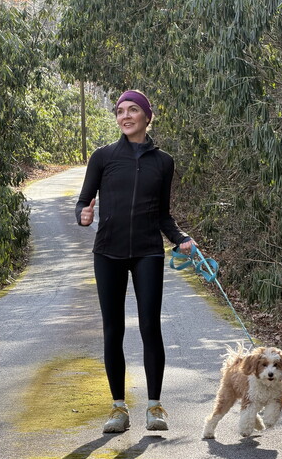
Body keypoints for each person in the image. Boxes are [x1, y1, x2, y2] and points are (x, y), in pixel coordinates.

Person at [75, 90, 194, 433]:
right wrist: (83, 216)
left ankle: (155, 407)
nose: (125, 116)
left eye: (132, 110)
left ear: (146, 116)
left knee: (149, 327)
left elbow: (163, 215)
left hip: (147, 251)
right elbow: (83, 203)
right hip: (107, 252)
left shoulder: (163, 162)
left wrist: (180, 239)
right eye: (120, 111)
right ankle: (118, 409)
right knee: (113, 330)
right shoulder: (103, 157)